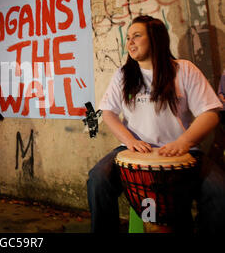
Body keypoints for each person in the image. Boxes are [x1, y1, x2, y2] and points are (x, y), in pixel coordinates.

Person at [87, 15, 225, 233]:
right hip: (133, 150)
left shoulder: (184, 70)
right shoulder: (123, 75)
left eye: (137, 36)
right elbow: (108, 113)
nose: (129, 42)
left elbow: (210, 113)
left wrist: (185, 141)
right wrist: (129, 140)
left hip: (184, 152)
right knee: (98, 179)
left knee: (219, 191)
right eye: (128, 37)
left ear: (156, 38)